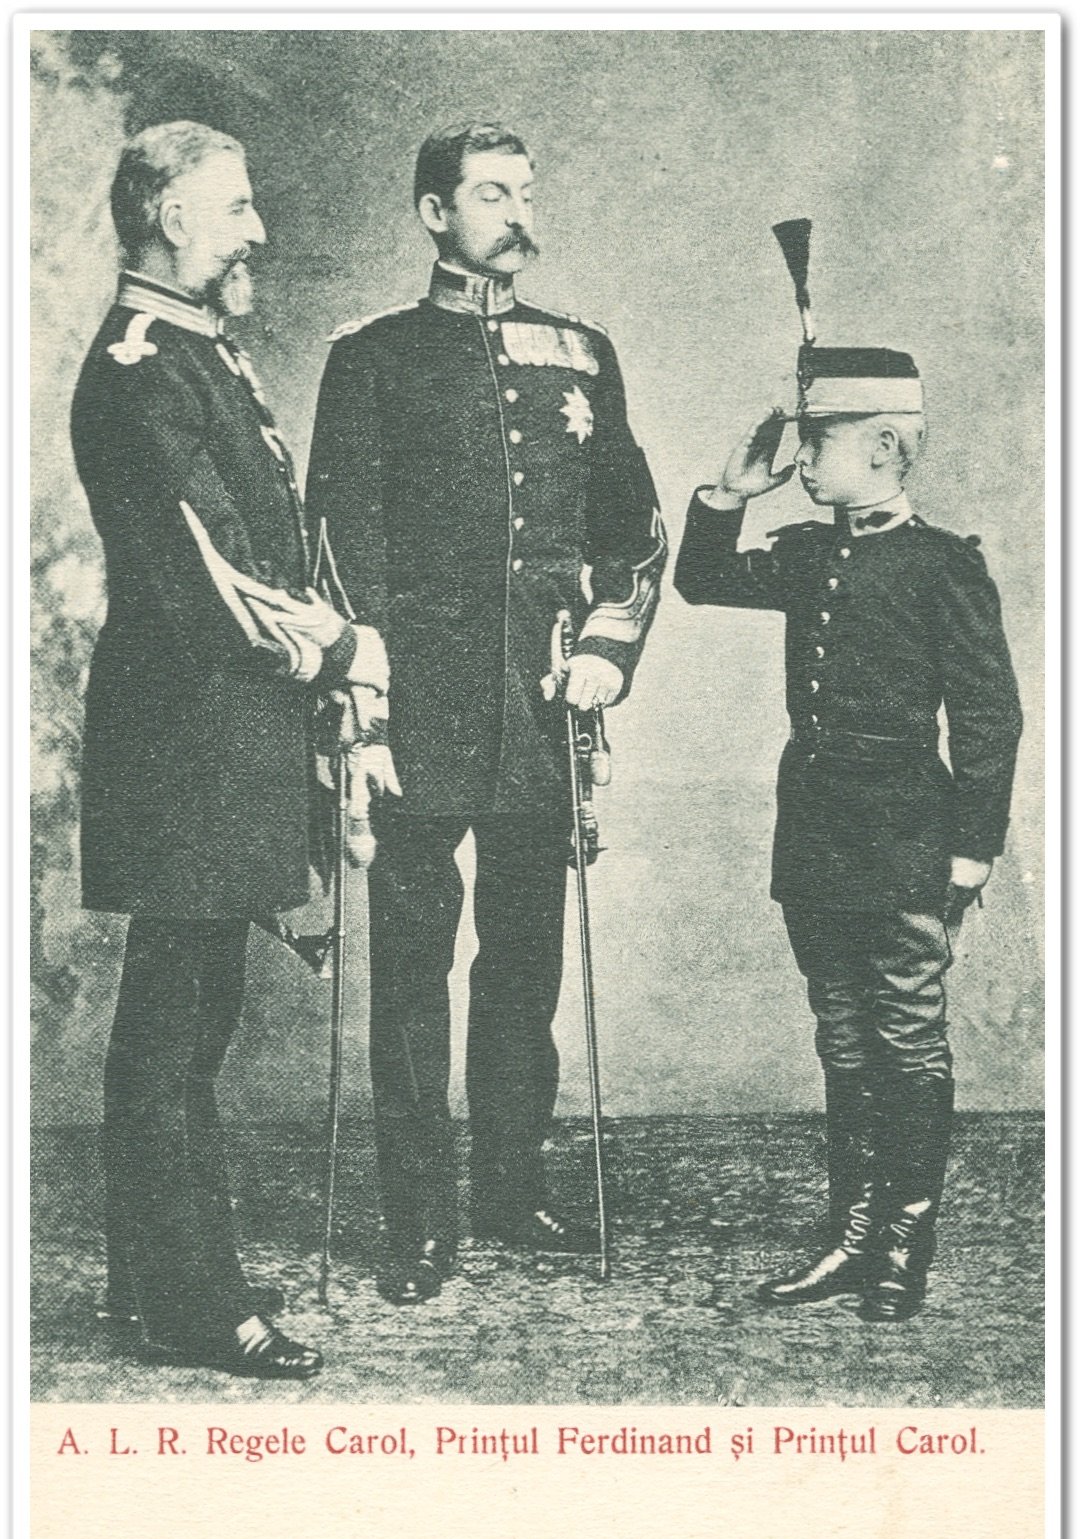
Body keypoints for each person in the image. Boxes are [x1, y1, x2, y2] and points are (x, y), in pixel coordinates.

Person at [306, 120, 665, 1305]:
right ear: (431, 213)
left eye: (527, 189)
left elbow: (634, 531)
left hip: (543, 700)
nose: (518, 212)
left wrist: (610, 646)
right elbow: (336, 540)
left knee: (523, 958)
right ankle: (419, 1218)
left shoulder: (583, 353)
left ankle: (511, 1186)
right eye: (493, 192)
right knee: (412, 963)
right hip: (419, 705)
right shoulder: (372, 358)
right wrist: (364, 699)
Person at [71, 121, 385, 1377]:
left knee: (185, 1017)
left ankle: (147, 1280)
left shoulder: (203, 355)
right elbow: (212, 580)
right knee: (174, 1029)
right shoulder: (141, 363)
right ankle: (197, 1300)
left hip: (221, 732)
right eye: (238, 207)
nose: (258, 230)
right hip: (182, 734)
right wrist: (339, 653)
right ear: (165, 216)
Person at [674, 343, 1022, 1322]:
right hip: (817, 837)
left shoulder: (941, 565)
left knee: (905, 1035)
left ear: (882, 446)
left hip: (908, 833)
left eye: (816, 438)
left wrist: (973, 846)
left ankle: (904, 1241)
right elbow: (700, 581)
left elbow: (990, 716)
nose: (800, 454)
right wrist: (729, 491)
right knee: (842, 1034)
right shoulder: (804, 551)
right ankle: (852, 1236)